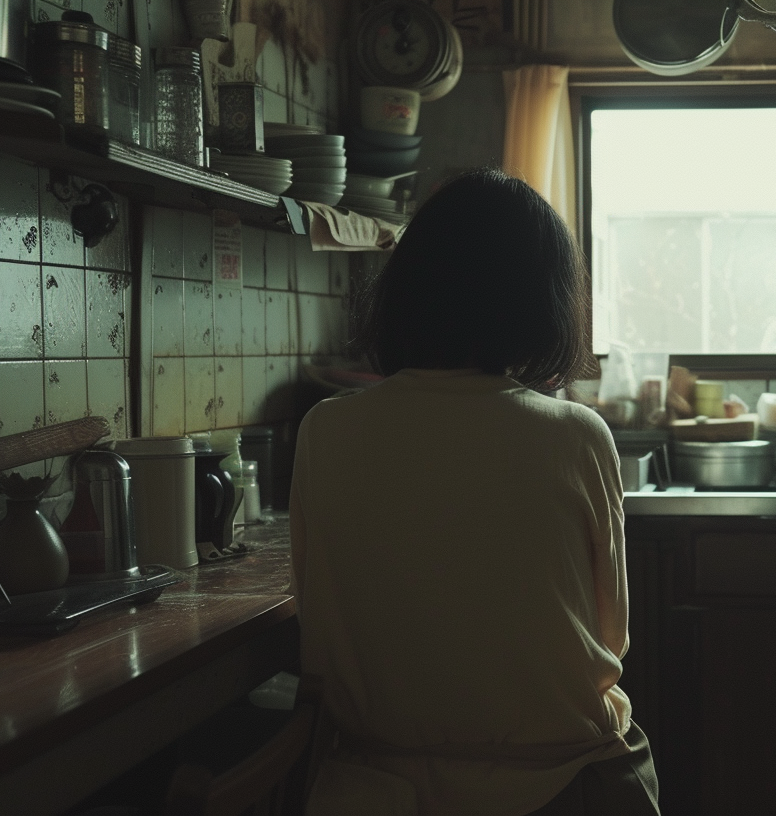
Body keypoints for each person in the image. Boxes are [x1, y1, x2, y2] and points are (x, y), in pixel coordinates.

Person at [289, 168, 658, 816]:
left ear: (407, 291)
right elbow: (610, 634)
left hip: (377, 787)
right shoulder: (576, 435)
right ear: (543, 302)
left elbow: (317, 610)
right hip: (561, 783)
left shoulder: (326, 431)